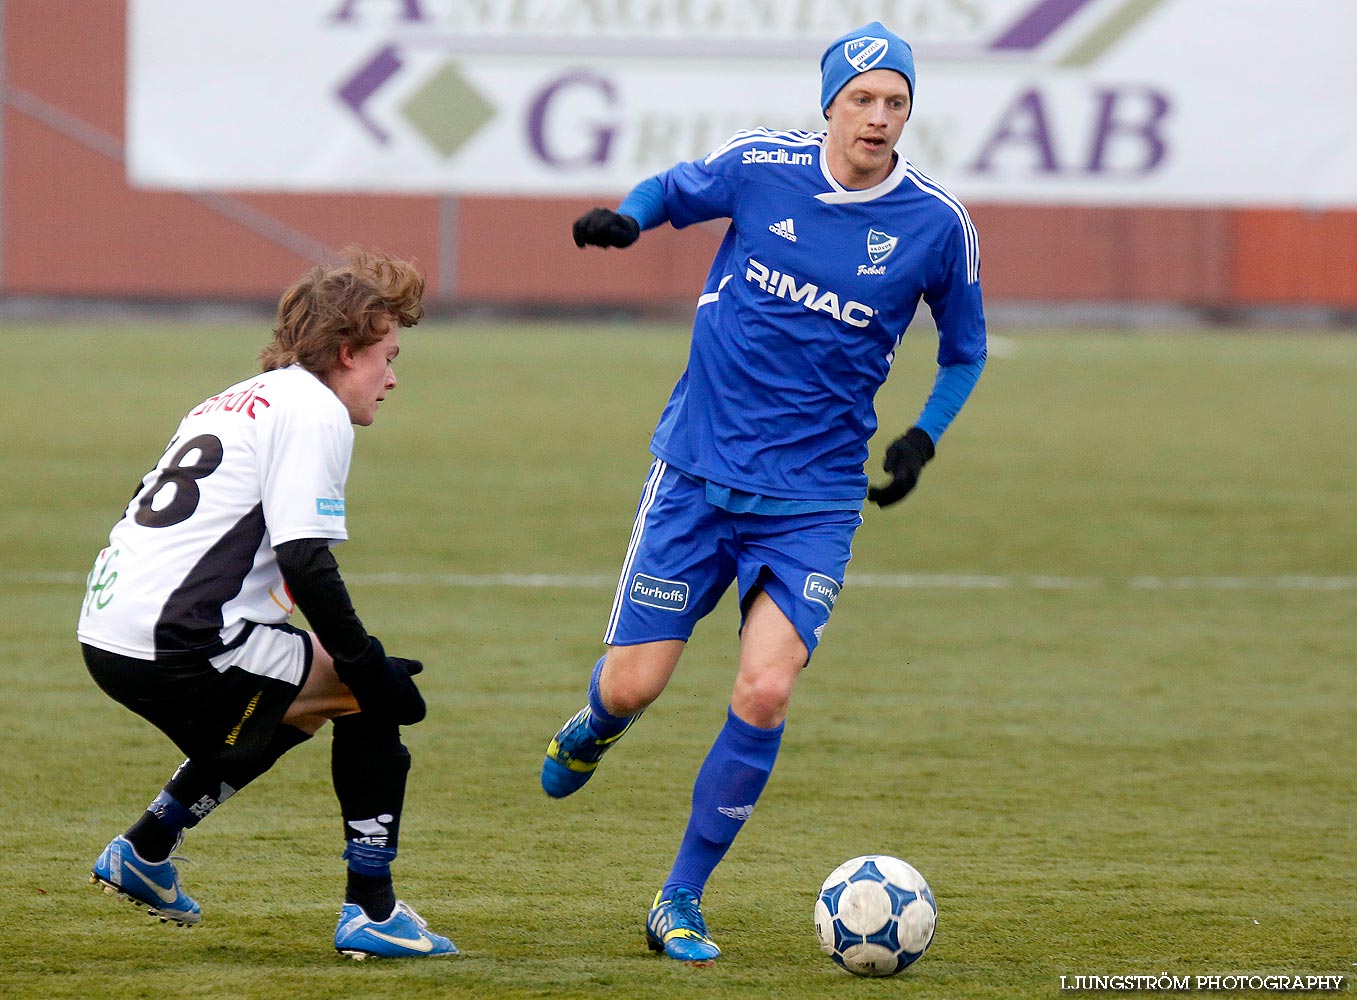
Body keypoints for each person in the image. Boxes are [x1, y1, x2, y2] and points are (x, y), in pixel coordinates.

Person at [541, 21, 987, 964]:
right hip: (697, 475)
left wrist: (920, 439)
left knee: (766, 688)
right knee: (633, 684)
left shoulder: (936, 225)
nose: (878, 117)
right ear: (828, 103)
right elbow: (670, 188)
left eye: (895, 102)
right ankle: (596, 724)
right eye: (862, 98)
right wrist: (628, 215)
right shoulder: (760, 166)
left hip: (815, 500)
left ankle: (680, 899)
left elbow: (963, 350)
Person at [78, 248, 458, 960]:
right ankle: (372, 913)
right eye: (388, 355)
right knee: (362, 695)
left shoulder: (233, 397)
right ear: (347, 352)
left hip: (108, 632)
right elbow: (305, 560)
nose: (393, 377)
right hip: (179, 641)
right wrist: (366, 663)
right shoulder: (315, 411)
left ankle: (147, 848)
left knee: (300, 696)